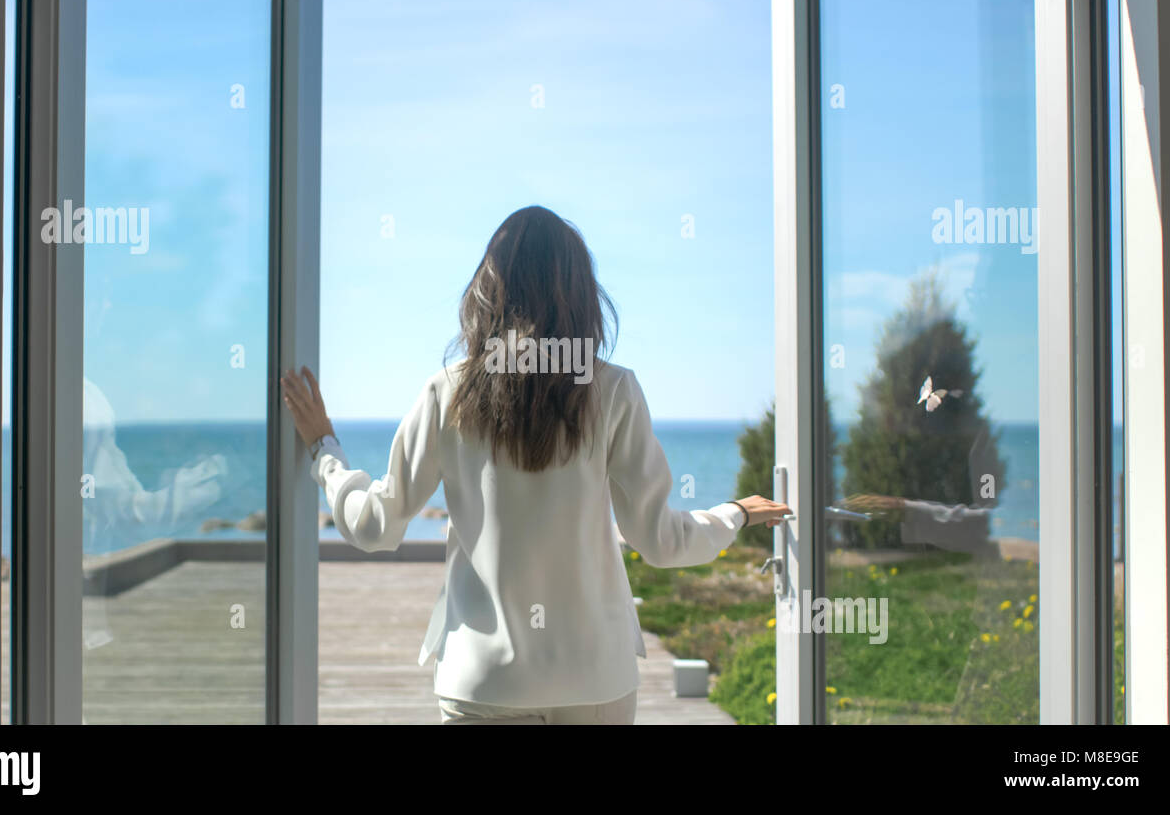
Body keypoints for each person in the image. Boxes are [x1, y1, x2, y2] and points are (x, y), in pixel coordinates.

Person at [281, 205, 789, 725]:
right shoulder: (613, 391)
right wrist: (735, 514)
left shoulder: (447, 392)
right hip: (595, 682)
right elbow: (660, 541)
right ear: (581, 295)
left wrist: (325, 451)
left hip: (482, 682)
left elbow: (375, 526)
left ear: (488, 290)